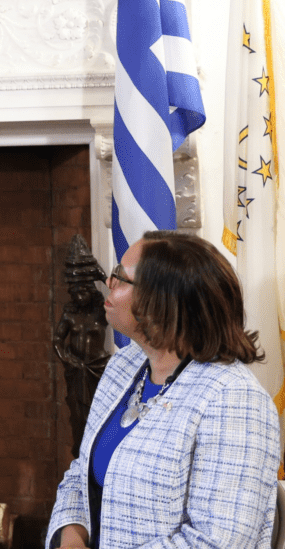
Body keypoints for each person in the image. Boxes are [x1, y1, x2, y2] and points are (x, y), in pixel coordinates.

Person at [47, 231, 280, 549]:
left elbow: (218, 541)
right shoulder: (124, 365)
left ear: (162, 302)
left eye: (120, 277)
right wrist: (71, 538)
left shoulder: (234, 399)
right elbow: (81, 473)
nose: (108, 282)